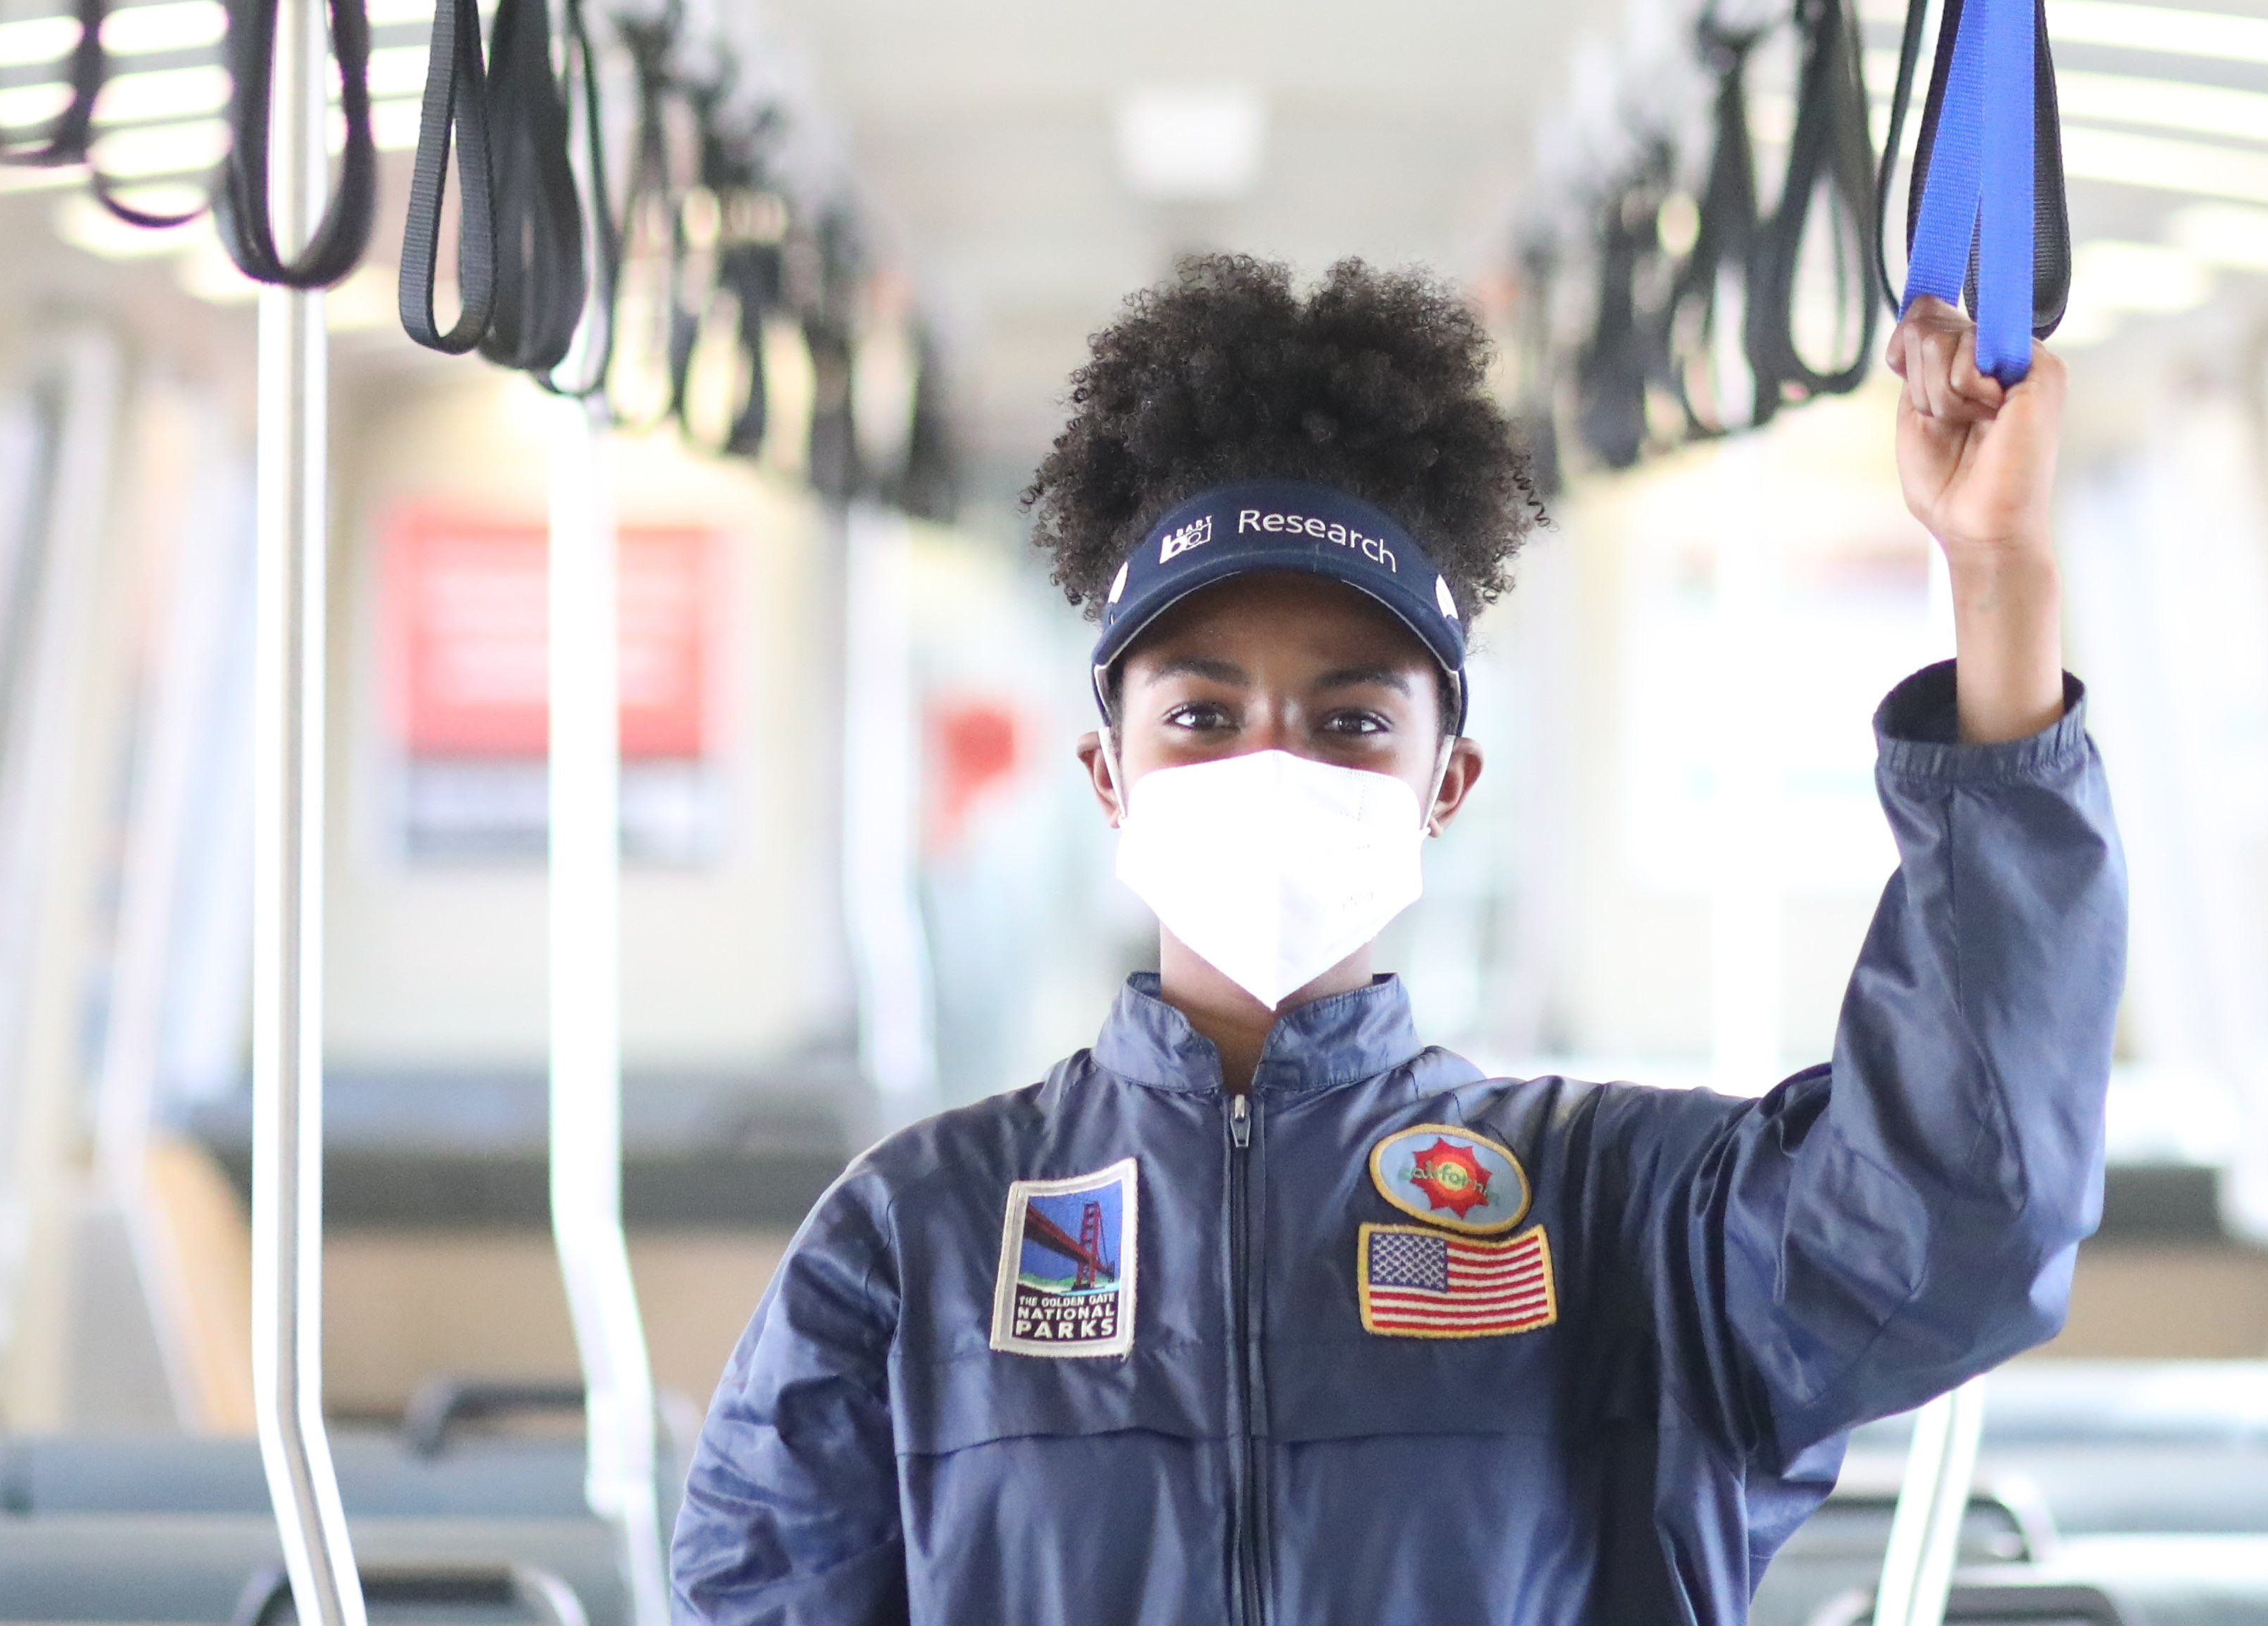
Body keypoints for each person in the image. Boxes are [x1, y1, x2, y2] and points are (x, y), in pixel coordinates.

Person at [670, 253, 2125, 1623]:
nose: (1274, 757)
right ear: (1109, 771)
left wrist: (1998, 578)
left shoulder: (1622, 1219)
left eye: (1353, 719)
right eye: (1203, 713)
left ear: (1448, 782)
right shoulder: (916, 1239)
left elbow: (1962, 1209)